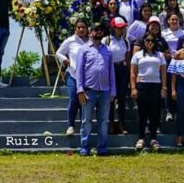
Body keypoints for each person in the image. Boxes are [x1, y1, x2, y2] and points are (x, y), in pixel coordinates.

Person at [76, 23, 116, 157]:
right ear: (90, 32)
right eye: (96, 30)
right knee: (86, 121)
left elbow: (111, 72)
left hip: (105, 91)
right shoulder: (83, 49)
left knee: (104, 121)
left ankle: (102, 147)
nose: (99, 32)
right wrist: (80, 89)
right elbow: (79, 71)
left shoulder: (108, 50)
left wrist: (113, 91)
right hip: (89, 91)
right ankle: (84, 147)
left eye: (101, 30)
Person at [131, 34, 167, 151]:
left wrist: (164, 87)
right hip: (142, 85)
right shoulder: (137, 55)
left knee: (155, 113)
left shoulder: (160, 55)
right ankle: (141, 138)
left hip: (156, 85)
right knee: (142, 113)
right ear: (144, 41)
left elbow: (163, 72)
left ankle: (153, 138)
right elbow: (133, 73)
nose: (150, 42)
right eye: (147, 40)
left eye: (152, 40)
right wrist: (133, 88)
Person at [56, 18, 89, 136]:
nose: (81, 29)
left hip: (87, 77)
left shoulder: (91, 41)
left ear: (87, 29)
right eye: (78, 27)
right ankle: (71, 125)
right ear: (75, 29)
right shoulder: (70, 41)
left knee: (84, 102)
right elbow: (58, 53)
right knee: (74, 99)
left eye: (83, 27)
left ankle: (83, 126)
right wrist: (66, 61)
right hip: (73, 75)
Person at [105, 17, 131, 135]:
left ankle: (121, 122)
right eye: (119, 27)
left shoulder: (125, 41)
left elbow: (128, 57)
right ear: (113, 28)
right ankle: (110, 122)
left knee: (121, 98)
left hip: (123, 69)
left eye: (123, 27)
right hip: (111, 69)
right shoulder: (106, 41)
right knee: (111, 98)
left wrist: (130, 74)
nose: (121, 29)